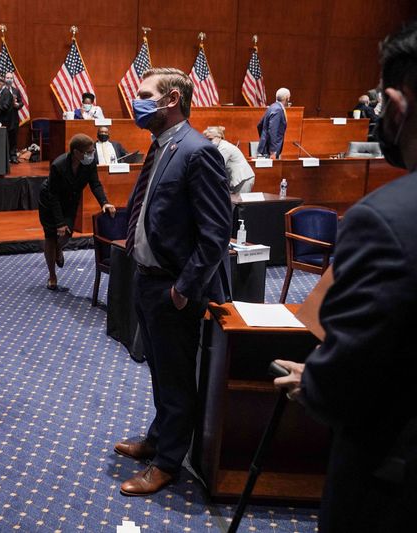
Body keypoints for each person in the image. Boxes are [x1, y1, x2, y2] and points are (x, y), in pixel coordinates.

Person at [273, 21, 417, 533]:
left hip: (392, 483)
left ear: (396, 108)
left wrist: (313, 380)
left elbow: (352, 370)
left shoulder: (386, 218)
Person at [115, 67, 231, 496]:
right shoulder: (161, 146)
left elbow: (216, 233)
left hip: (172, 288)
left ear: (171, 101)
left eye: (145, 94)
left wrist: (183, 289)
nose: (136, 101)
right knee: (160, 372)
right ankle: (159, 437)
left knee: (177, 377)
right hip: (147, 281)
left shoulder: (198, 151)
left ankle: (168, 464)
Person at [38, 133, 116, 290]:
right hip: (50, 200)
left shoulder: (90, 162)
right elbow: (53, 194)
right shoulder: (58, 165)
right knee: (51, 235)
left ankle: (59, 249)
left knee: (66, 234)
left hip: (70, 201)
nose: (91, 154)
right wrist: (59, 222)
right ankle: (52, 275)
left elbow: (95, 184)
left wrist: (105, 203)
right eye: (88, 152)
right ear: (76, 152)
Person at [203, 126, 255, 193]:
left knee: (241, 202)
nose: (208, 142)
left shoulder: (224, 147)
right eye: (206, 140)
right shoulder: (220, 146)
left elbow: (216, 166)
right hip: (239, 179)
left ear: (219, 137)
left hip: (243, 178)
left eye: (210, 139)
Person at [256, 87, 290, 159]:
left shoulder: (272, 107)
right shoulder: (278, 110)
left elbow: (259, 125)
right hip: (269, 152)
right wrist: (273, 151)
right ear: (287, 98)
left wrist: (264, 138)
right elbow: (272, 130)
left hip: (265, 149)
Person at [4, 72, 24, 164]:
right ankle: (6, 157)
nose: (9, 79)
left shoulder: (16, 90)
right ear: (4, 79)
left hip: (14, 118)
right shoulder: (2, 91)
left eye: (11, 78)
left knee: (14, 138)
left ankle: (13, 156)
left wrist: (17, 104)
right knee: (5, 138)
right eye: (7, 77)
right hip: (4, 119)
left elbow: (21, 103)